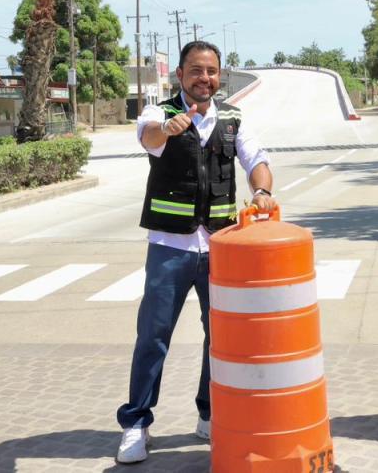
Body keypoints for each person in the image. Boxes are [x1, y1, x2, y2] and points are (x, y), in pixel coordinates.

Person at [115, 41, 276, 464]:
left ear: (219, 76)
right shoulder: (160, 114)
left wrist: (261, 190)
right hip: (171, 247)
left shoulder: (233, 119)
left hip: (221, 248)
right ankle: (136, 424)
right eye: (196, 71)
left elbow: (257, 159)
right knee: (153, 337)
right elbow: (147, 137)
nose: (204, 78)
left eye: (211, 71)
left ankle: (209, 414)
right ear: (180, 75)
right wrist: (168, 130)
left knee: (220, 337)